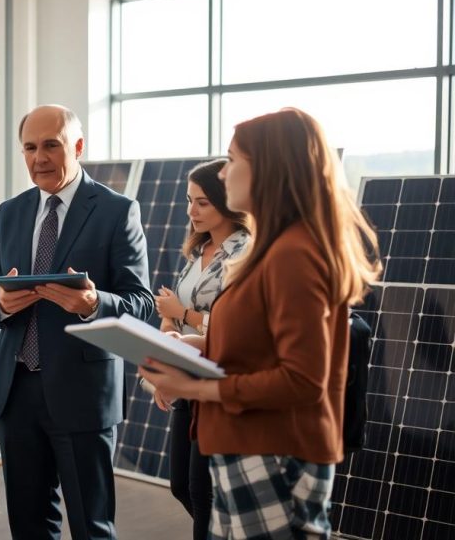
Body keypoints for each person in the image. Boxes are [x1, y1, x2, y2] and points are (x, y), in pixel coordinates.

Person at [139, 108, 380, 539]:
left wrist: (194, 387)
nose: (224, 172)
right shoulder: (271, 251)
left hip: (274, 455)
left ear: (268, 171)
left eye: (233, 160)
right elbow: (255, 347)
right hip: (249, 448)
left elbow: (304, 381)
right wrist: (192, 348)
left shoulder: (294, 255)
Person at [0, 104, 154, 540]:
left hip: (83, 394)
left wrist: (93, 303)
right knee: (29, 525)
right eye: (30, 147)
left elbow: (142, 303)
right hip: (16, 392)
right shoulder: (10, 212)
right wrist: (0, 303)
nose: (39, 158)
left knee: (91, 527)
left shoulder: (117, 211)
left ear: (77, 146)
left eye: (51, 146)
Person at [150, 158, 250, 540]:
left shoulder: (246, 254)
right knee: (181, 485)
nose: (191, 211)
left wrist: (185, 315)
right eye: (188, 200)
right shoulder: (198, 252)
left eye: (202, 202)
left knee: (203, 491)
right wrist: (165, 360)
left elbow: (240, 330)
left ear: (228, 202)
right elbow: (169, 314)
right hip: (187, 377)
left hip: (220, 382)